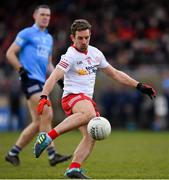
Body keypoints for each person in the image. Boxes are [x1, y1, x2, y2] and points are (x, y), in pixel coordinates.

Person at [33, 19, 156, 178]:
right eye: (80, 38)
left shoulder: (96, 53)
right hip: (72, 97)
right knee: (91, 115)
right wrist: (43, 96)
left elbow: (115, 73)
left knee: (91, 135)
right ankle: (48, 137)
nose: (84, 41)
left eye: (87, 37)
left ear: (90, 36)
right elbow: (54, 76)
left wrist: (139, 86)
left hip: (86, 100)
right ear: (73, 38)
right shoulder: (69, 56)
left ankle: (74, 168)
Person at [5, 4, 71, 166]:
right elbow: (10, 53)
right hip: (30, 81)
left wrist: (60, 79)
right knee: (47, 112)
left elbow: (49, 64)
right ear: (35, 16)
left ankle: (13, 153)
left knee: (37, 123)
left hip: (41, 82)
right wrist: (20, 69)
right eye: (42, 14)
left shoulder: (48, 38)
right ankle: (52, 154)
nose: (45, 17)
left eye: (48, 15)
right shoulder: (27, 33)